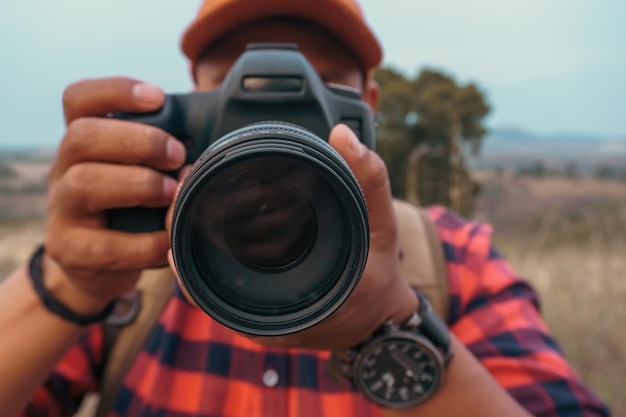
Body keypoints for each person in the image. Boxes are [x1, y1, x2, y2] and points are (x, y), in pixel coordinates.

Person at [0, 0, 610, 416]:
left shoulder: (456, 260)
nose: (274, 135)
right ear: (189, 102)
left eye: (318, 88)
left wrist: (386, 327)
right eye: (240, 92)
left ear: (367, 107)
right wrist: (69, 285)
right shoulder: (133, 278)